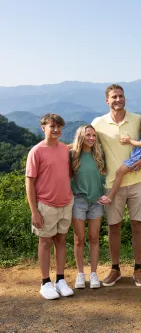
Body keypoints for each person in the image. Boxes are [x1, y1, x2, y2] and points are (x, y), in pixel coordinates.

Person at [91, 84, 141, 287]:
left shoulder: (138, 120)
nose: (118, 99)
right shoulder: (98, 123)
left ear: (125, 98)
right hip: (112, 185)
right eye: (114, 97)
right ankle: (115, 269)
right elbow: (86, 144)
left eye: (121, 96)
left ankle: (138, 269)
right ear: (107, 101)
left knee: (138, 225)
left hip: (137, 182)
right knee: (113, 227)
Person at [26, 113, 74, 300]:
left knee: (61, 241)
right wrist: (34, 211)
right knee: (45, 242)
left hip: (65, 203)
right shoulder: (36, 151)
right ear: (43, 128)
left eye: (59, 126)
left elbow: (66, 173)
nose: (56, 129)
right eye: (52, 126)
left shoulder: (63, 149)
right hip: (45, 205)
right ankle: (45, 282)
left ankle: (60, 280)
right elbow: (29, 183)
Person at [99, 106, 141, 204]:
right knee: (120, 173)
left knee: (119, 172)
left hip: (139, 157)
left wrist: (129, 141)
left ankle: (110, 197)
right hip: (140, 156)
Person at [70, 124, 106, 289]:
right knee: (79, 239)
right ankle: (80, 274)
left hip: (96, 201)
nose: (91, 138)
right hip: (78, 201)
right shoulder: (72, 155)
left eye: (93, 135)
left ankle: (93, 273)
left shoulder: (98, 154)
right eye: (88, 135)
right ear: (80, 137)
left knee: (94, 238)